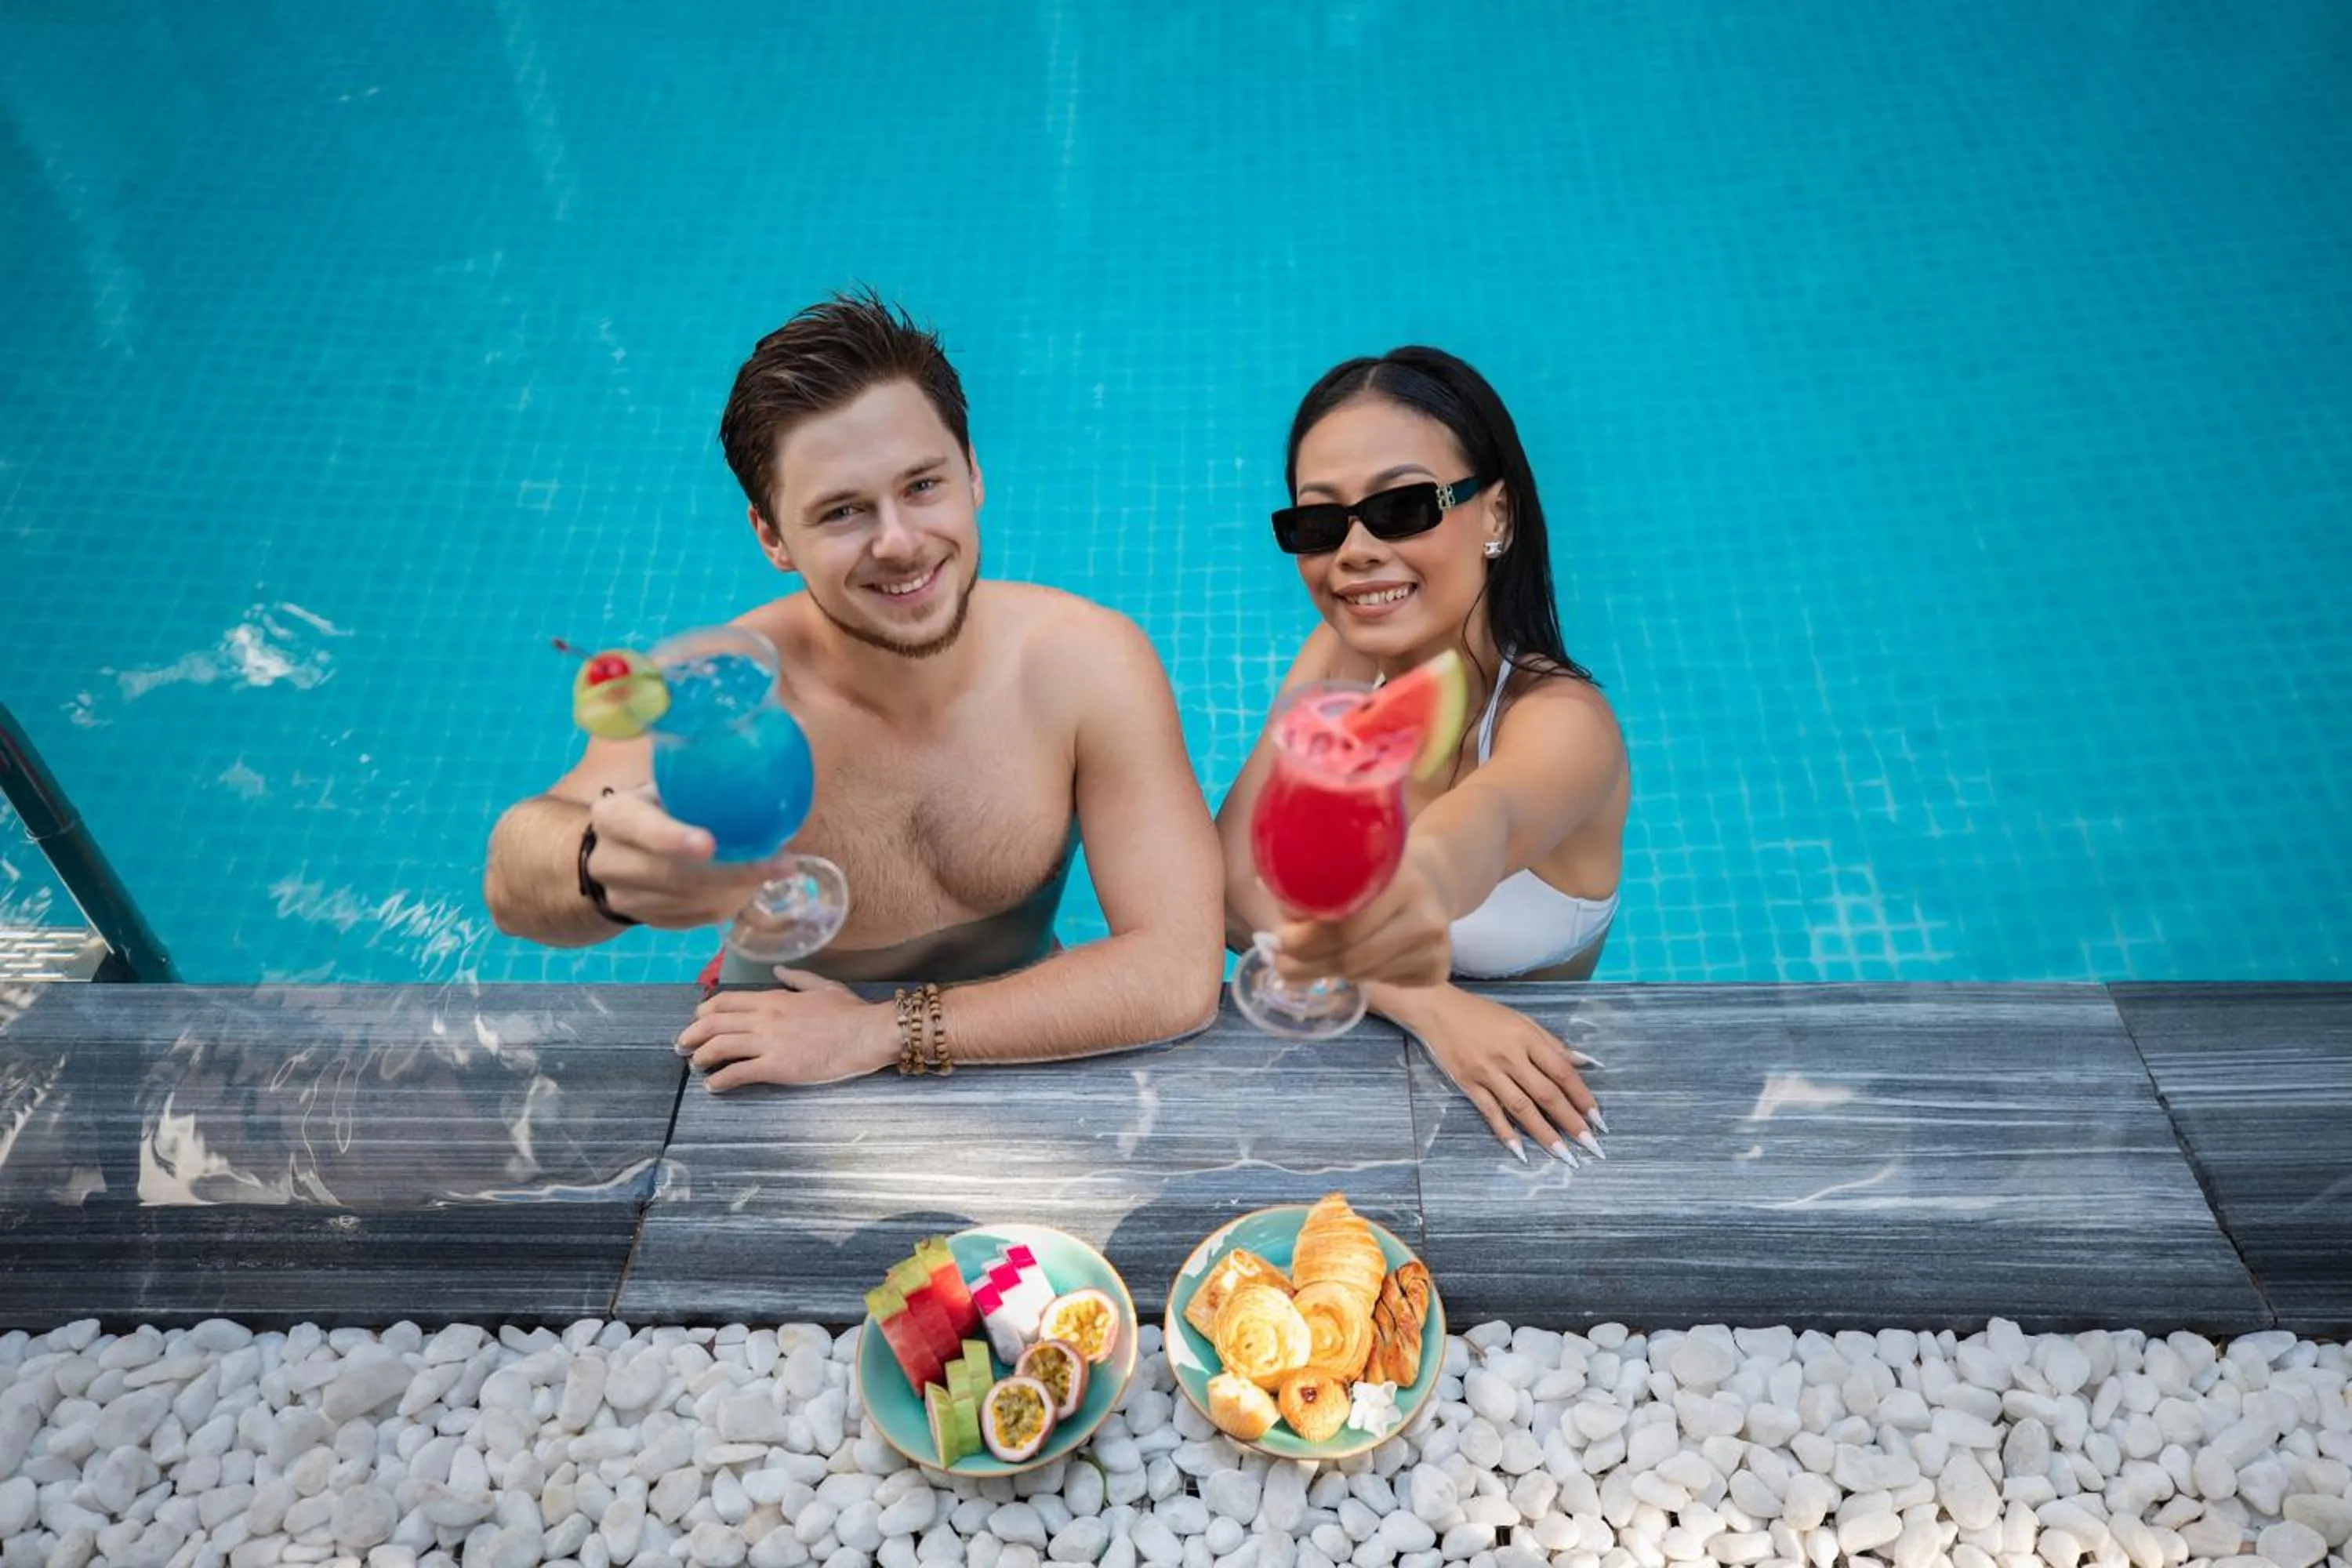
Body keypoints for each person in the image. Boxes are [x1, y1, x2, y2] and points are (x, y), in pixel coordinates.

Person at [486, 292, 1224, 1089]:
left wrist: (876, 1032)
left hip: (1015, 1024)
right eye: (842, 510)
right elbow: (515, 872)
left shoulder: (1088, 664)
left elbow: (1175, 973)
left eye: (922, 485)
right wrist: (597, 865)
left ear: (974, 474)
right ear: (772, 536)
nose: (900, 541)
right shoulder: (723, 694)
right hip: (775, 1033)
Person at [1218, 347, 1630, 1163]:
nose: (1356, 551)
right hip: (1387, 1061)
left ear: (1498, 516)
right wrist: (1427, 1004)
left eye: (1403, 506)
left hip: (1528, 1100)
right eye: (1319, 521)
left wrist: (1406, 892)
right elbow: (1228, 887)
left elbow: (1480, 829)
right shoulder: (1341, 657)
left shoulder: (1563, 725)